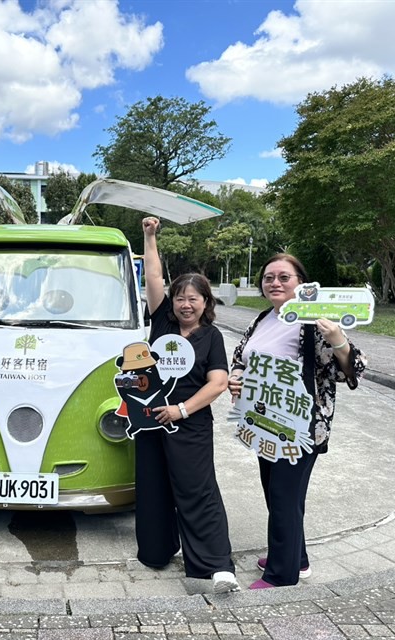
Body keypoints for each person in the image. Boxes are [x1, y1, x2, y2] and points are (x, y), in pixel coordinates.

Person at [228, 254, 367, 589]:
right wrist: (236, 376)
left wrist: (338, 339)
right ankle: (295, 557)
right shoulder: (263, 318)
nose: (274, 283)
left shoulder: (311, 322)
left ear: (302, 284)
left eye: (284, 277)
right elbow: (241, 356)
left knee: (283, 496)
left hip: (300, 427)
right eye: (268, 277)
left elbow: (350, 368)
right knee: (278, 495)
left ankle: (281, 574)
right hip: (263, 422)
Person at [137, 216, 239, 593]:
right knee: (153, 486)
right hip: (150, 419)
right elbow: (153, 277)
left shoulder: (211, 337)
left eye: (193, 298)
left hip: (190, 423)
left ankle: (215, 565)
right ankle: (157, 552)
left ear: (206, 302)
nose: (185, 303)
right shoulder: (161, 323)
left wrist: (181, 410)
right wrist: (150, 238)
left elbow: (217, 383)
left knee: (198, 490)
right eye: (179, 297)